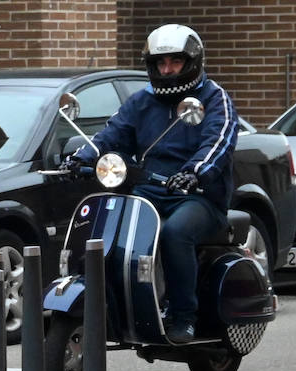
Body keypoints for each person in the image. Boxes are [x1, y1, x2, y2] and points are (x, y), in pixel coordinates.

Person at [65, 23, 239, 344]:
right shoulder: (141, 102)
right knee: (107, 228)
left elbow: (219, 141)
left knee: (175, 233)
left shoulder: (214, 99)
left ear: (192, 62)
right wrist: (82, 157)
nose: (167, 70)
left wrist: (195, 172)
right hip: (149, 191)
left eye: (175, 62)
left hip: (197, 198)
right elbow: (111, 134)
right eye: (161, 63)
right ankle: (114, 304)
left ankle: (183, 316)